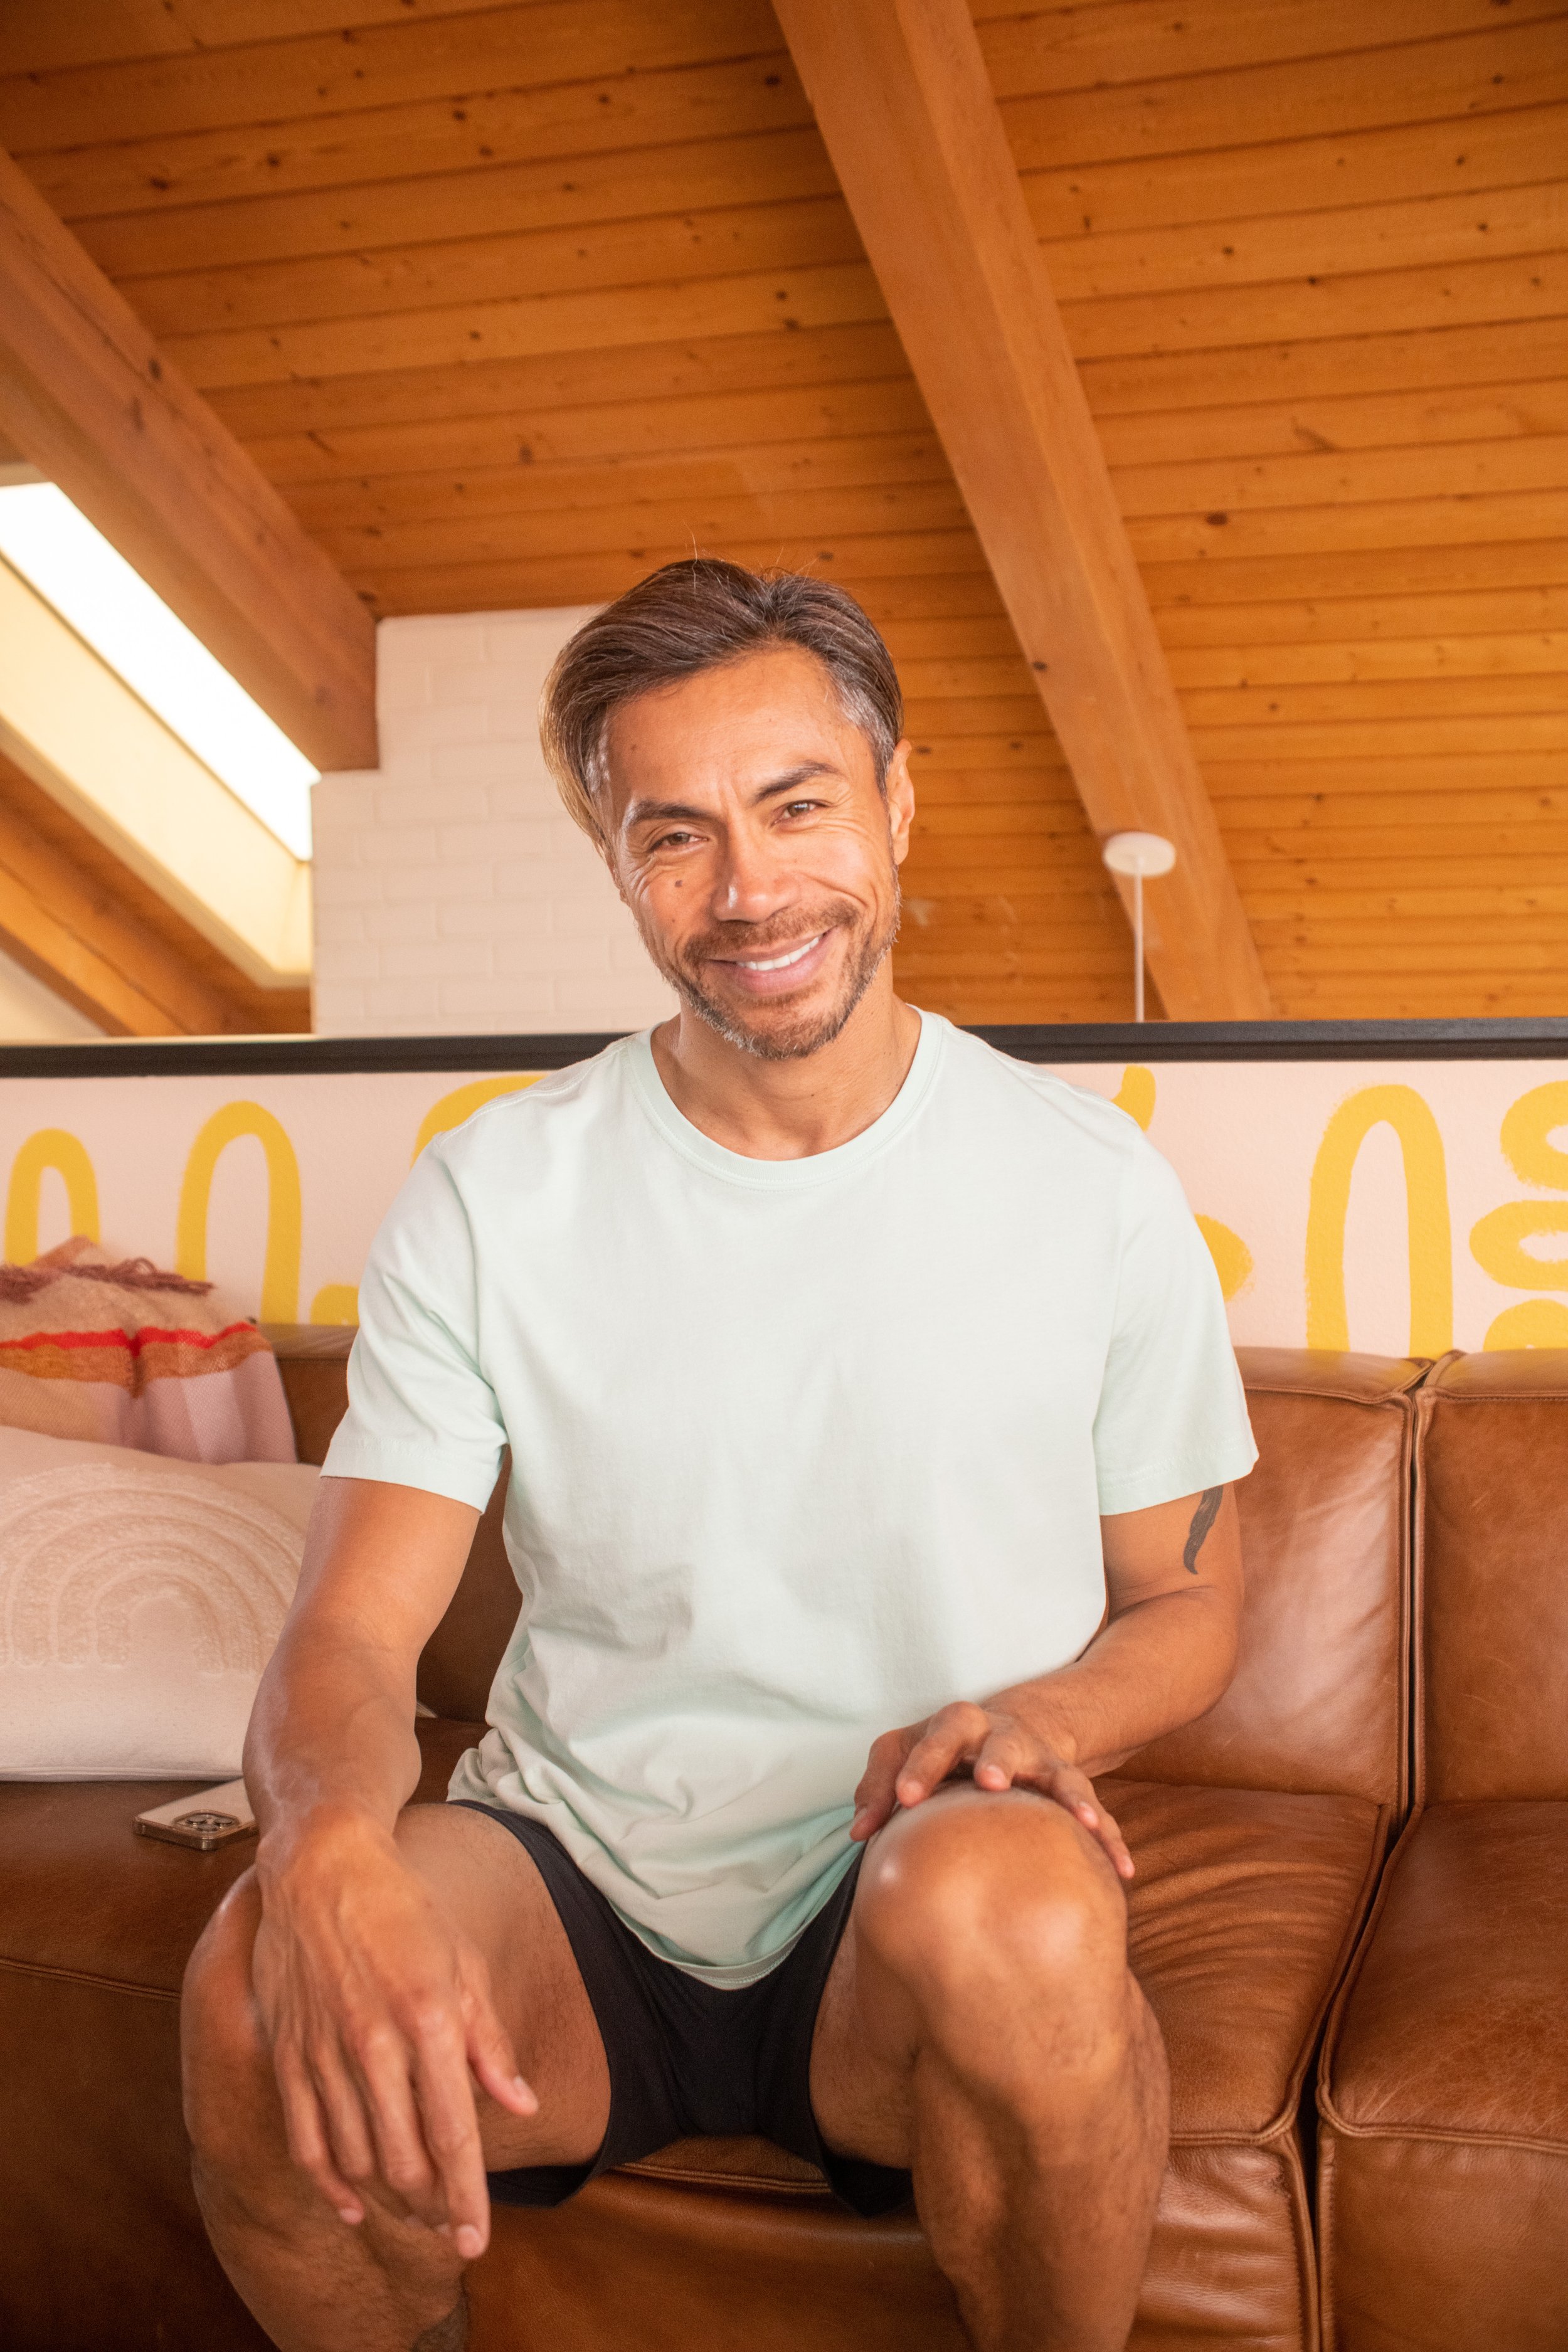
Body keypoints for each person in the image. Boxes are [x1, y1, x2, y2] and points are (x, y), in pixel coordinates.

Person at [182, 558, 1255, 2352]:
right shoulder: (495, 1193)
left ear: (898, 803)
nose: (749, 891)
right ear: (613, 862)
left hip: (912, 1871)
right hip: (575, 1875)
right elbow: (356, 1639)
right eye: (673, 836)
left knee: (1014, 1912)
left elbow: (1184, 1604)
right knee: (248, 1986)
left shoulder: (1090, 1188)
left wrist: (1044, 1726)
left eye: (795, 806)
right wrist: (325, 1859)